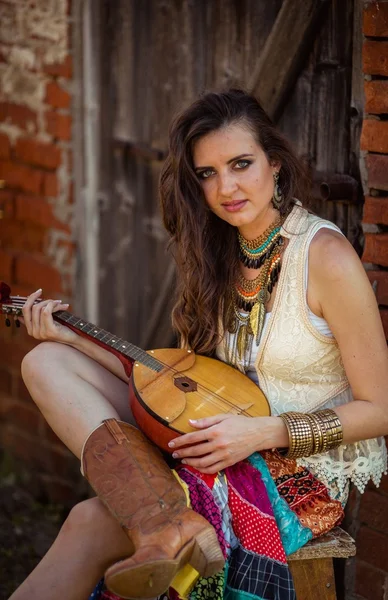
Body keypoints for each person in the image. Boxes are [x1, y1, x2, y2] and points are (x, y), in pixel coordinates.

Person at [9, 89, 388, 600]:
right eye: (207, 173)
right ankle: (161, 518)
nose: (226, 186)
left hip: (294, 473)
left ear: (275, 166)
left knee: (92, 519)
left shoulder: (324, 257)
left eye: (241, 164)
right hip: (208, 432)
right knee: (49, 360)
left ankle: (163, 523)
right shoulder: (218, 251)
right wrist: (68, 336)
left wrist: (259, 434)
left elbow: (381, 409)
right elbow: (180, 385)